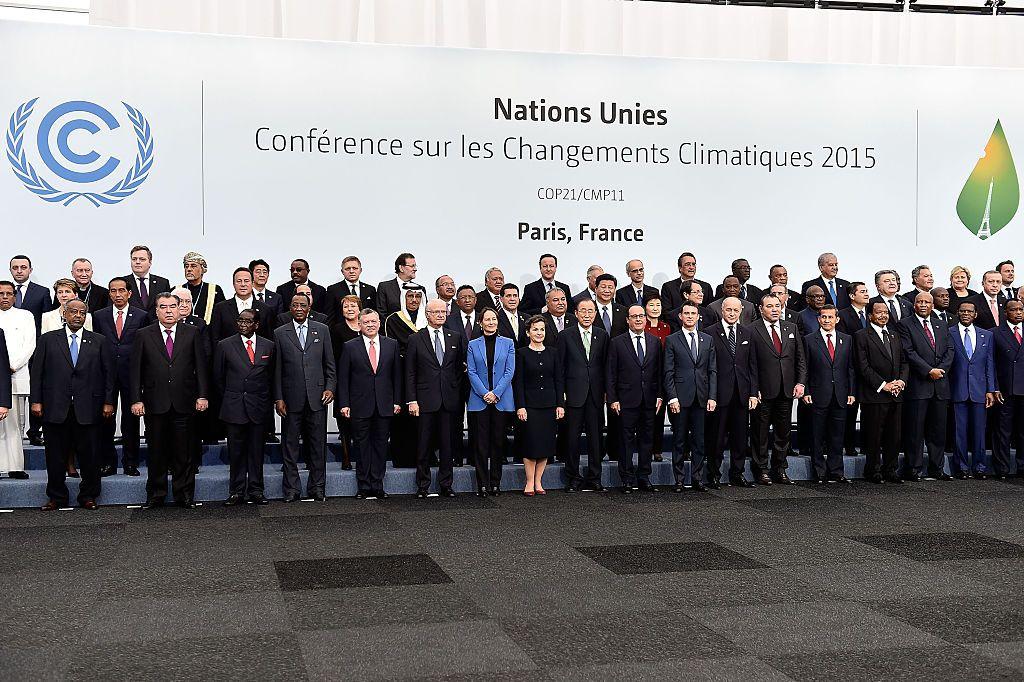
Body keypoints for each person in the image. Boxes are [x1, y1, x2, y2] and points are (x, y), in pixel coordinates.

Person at [30, 299, 114, 510]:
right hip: (55, 407)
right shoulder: (48, 340)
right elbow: (37, 373)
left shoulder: (99, 341)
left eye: (82, 312)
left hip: (89, 408)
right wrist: (36, 400)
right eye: (73, 312)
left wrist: (108, 401)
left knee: (90, 456)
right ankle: (56, 497)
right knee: (55, 456)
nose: (78, 315)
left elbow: (109, 375)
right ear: (64, 315)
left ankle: (89, 496)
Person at [130, 293, 210, 508]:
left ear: (180, 308)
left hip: (184, 402)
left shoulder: (192, 332)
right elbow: (135, 370)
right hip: (155, 403)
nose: (168, 310)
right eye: (163, 307)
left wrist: (202, 395)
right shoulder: (143, 334)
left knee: (183, 452)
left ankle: (184, 494)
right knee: (156, 451)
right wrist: (136, 399)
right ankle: (156, 494)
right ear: (156, 311)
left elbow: (201, 367)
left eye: (173, 306)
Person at [274, 294, 335, 502]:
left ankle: (318, 488)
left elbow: (330, 365)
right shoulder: (280, 333)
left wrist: (330, 388)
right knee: (289, 447)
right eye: (295, 305)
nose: (299, 308)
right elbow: (277, 370)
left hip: (317, 397)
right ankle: (291, 489)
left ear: (309, 307)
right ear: (290, 308)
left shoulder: (323, 329)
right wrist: (278, 398)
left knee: (318, 446)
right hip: (290, 399)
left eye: (303, 305)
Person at [337, 309, 401, 499]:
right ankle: (364, 486)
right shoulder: (349, 346)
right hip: (359, 405)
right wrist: (344, 403)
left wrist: (397, 401)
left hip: (384, 404)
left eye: (374, 322)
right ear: (359, 325)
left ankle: (377, 484)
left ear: (379, 323)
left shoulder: (392, 345)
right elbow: (343, 378)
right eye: (366, 322)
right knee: (361, 445)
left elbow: (397, 376)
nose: (370, 325)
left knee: (381, 446)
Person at [406, 299, 467, 498]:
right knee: (423, 444)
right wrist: (412, 400)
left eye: (443, 311)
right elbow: (410, 372)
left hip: (449, 400)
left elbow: (459, 369)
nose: (440, 314)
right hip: (424, 400)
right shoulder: (416, 338)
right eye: (436, 312)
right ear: (427, 314)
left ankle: (446, 484)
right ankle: (422, 485)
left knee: (447, 445)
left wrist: (455, 391)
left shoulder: (455, 337)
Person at [214, 308, 275, 506]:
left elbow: (272, 377)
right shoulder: (224, 345)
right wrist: (232, 398)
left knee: (257, 451)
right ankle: (236, 491)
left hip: (258, 406)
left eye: (248, 322)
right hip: (234, 407)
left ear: (256, 324)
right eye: (240, 320)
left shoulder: (269, 346)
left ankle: (256, 490)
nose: (242, 324)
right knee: (236, 452)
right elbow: (218, 378)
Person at [748, 293, 806, 485]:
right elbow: (750, 364)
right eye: (770, 306)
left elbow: (800, 358)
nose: (775, 309)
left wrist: (800, 382)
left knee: (783, 432)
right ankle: (761, 469)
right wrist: (753, 389)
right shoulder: (751, 330)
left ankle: (780, 468)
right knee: (760, 433)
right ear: (760, 308)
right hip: (762, 392)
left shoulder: (791, 327)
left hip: (786, 390)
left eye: (778, 305)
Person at [897, 291, 954, 481]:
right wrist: (929, 370)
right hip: (918, 385)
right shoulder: (905, 325)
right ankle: (914, 469)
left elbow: (950, 350)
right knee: (915, 431)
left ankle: (937, 468)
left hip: (940, 385)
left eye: (926, 302)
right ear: (914, 304)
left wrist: (941, 370)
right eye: (919, 301)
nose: (923, 304)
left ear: (932, 305)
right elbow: (908, 352)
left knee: (938, 431)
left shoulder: (942, 324)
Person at [93, 277, 146, 477]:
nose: (117, 295)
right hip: (105, 375)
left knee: (130, 422)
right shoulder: (99, 316)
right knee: (106, 420)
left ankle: (130, 463)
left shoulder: (141, 316)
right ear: (109, 293)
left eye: (121, 290)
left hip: (132, 375)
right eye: (113, 291)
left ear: (129, 293)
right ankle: (107, 462)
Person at [607, 305, 662, 493]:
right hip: (625, 400)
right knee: (625, 441)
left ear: (645, 319)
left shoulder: (654, 342)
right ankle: (627, 478)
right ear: (627, 320)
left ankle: (644, 476)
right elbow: (611, 373)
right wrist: (613, 398)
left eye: (641, 316)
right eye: (634, 316)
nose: (638, 319)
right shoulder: (616, 342)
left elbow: (659, 372)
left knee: (647, 440)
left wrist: (660, 395)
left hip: (649, 400)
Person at [706, 297, 759, 487]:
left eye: (735, 311)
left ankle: (737, 473)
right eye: (728, 310)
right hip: (719, 394)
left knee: (740, 437)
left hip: (742, 394)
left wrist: (753, 393)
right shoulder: (710, 333)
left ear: (741, 311)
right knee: (716, 437)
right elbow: (708, 367)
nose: (731, 313)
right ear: (722, 310)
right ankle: (713, 474)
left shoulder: (747, 333)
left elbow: (753, 366)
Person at [664, 302, 717, 492]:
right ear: (680, 316)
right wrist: (672, 398)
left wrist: (712, 396)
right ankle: (679, 480)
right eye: (686, 313)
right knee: (679, 440)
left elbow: (712, 371)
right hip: (680, 398)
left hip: (702, 398)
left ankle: (697, 479)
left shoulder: (707, 339)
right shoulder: (671, 340)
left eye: (693, 313)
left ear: (698, 316)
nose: (689, 316)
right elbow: (668, 372)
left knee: (699, 441)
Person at [854, 301, 909, 484]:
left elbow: (904, 362)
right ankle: (873, 471)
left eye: (885, 312)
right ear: (870, 315)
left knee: (894, 435)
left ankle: (891, 470)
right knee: (874, 436)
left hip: (896, 394)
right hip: (874, 395)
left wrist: (901, 380)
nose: (883, 315)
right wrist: (883, 385)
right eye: (879, 312)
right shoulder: (861, 336)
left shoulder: (894, 335)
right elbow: (863, 366)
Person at [558, 299, 609, 492]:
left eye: (590, 311)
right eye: (583, 311)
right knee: (572, 438)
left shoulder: (602, 335)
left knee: (596, 438)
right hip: (573, 395)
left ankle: (595, 477)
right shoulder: (565, 336)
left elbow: (606, 367)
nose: (587, 315)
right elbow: (560, 368)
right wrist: (561, 395)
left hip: (596, 395)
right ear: (576, 314)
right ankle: (573, 478)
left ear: (595, 313)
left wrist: (607, 393)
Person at [802, 305, 855, 484]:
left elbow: (850, 368)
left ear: (837, 319)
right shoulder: (809, 340)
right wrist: (806, 391)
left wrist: (851, 392)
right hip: (818, 394)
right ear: (818, 319)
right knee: (817, 435)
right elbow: (805, 368)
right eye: (823, 317)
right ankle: (820, 472)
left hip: (840, 394)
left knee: (837, 435)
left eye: (830, 317)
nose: (826, 320)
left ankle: (836, 471)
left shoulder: (847, 340)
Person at [467, 308, 515, 495]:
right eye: (487, 319)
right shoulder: (472, 344)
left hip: (501, 400)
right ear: (481, 322)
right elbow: (471, 372)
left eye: (493, 319)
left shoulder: (508, 343)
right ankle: (482, 484)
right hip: (479, 400)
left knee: (497, 443)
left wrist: (495, 393)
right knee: (480, 444)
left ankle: (495, 483)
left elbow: (509, 371)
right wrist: (484, 393)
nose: (491, 322)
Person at [514, 315, 564, 495]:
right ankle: (529, 482)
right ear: (528, 332)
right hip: (530, 405)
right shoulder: (521, 353)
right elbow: (518, 382)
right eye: (535, 329)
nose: (539, 332)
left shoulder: (553, 352)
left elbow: (559, 380)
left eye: (542, 329)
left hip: (549, 405)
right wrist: (520, 406)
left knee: (545, 444)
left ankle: (538, 482)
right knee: (531, 444)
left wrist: (560, 404)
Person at [948, 301, 996, 479]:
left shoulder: (987, 335)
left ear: (975, 314)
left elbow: (989, 364)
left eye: (969, 311)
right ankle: (961, 468)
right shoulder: (949, 332)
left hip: (980, 390)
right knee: (959, 431)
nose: (966, 314)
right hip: (957, 389)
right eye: (962, 311)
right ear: (958, 313)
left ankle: (980, 467)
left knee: (979, 431)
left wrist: (991, 389)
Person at [384, 285, 427, 468]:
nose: (414, 300)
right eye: (410, 296)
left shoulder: (429, 320)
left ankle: (426, 456)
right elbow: (395, 349)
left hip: (426, 375)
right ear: (403, 298)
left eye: (418, 296)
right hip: (402, 375)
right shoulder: (392, 320)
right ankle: (402, 457)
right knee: (402, 418)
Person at [0, 281, 35, 478]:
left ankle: (15, 467)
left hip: (16, 374)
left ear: (15, 296)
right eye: (1, 293)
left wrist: (10, 366)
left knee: (15, 424)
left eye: (8, 293)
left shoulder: (25, 316)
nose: (4, 297)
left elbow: (30, 344)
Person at [330, 294, 362, 470]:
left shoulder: (366, 326)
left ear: (359, 309)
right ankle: (346, 457)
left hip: (363, 381)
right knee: (344, 423)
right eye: (346, 307)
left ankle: (361, 457)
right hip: (344, 380)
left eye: (353, 306)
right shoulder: (336, 329)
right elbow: (334, 357)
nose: (350, 309)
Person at [993, 300, 1024, 478]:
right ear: (1006, 313)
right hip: (1005, 390)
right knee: (1003, 432)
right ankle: (1002, 468)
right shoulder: (995, 333)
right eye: (1014, 310)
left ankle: (1022, 466)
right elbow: (991, 365)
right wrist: (994, 387)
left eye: (1021, 309)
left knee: (1022, 431)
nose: (1018, 313)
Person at [210, 267, 274, 342]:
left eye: (246, 281)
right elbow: (214, 337)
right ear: (233, 284)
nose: (243, 284)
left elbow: (269, 338)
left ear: (252, 283)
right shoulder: (221, 308)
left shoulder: (265, 309)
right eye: (239, 281)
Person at [644, 294, 671, 461]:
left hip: (664, 375)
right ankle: (645, 448)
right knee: (647, 416)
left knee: (660, 415)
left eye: (658, 305)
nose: (655, 308)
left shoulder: (666, 327)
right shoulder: (641, 325)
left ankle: (657, 449)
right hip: (646, 376)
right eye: (651, 304)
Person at [325, 256, 378, 324]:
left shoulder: (370, 289)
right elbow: (330, 315)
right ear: (342, 271)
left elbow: (374, 313)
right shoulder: (333, 290)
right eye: (347, 269)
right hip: (342, 331)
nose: (351, 271)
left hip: (366, 329)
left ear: (360, 270)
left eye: (355, 268)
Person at [9, 254, 53, 335]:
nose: (19, 271)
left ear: (30, 270)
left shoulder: (42, 292)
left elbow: (47, 320)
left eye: (23, 267)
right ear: (10, 270)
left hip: (33, 340)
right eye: (15, 268)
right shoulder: (2, 291)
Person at [181, 251, 225, 324]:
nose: (189, 269)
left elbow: (221, 317)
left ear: (202, 269)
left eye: (193, 266)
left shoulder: (215, 290)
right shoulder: (177, 290)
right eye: (186, 266)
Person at [126, 245, 171, 314]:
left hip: (155, 323)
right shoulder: (123, 283)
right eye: (134, 259)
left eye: (142, 259)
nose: (137, 262)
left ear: (150, 262)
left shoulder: (162, 283)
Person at [377, 252, 419, 317]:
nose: (415, 269)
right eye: (412, 266)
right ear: (401, 268)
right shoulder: (384, 287)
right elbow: (381, 314)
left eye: (415, 266)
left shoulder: (419, 289)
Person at [593, 273, 628, 338]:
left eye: (610, 287)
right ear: (596, 289)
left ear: (615, 290)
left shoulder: (623, 311)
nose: (607, 290)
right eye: (603, 287)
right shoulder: (589, 309)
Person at [497, 283, 529, 347]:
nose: (512, 299)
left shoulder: (527, 318)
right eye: (508, 296)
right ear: (501, 299)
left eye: (515, 295)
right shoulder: (496, 318)